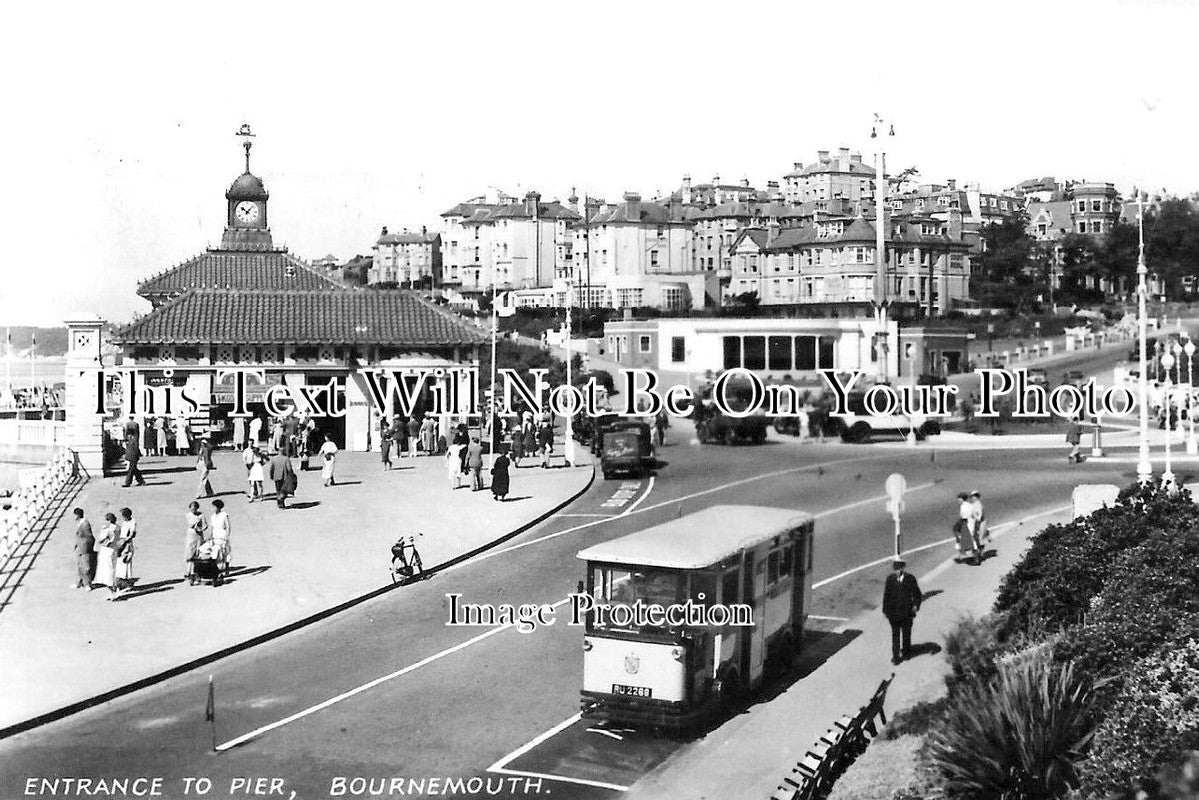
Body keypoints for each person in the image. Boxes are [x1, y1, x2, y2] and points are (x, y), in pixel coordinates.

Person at [882, 559, 923, 665]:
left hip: (907, 612)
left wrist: (915, 606)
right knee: (895, 636)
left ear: (903, 568)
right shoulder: (890, 579)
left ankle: (906, 653)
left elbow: (917, 594)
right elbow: (886, 596)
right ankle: (896, 657)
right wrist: (885, 610)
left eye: (899, 569)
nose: (898, 571)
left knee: (906, 635)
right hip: (894, 613)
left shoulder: (910, 579)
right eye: (896, 569)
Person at [94, 512, 120, 598]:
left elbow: (100, 540)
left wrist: (103, 532)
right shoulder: (118, 527)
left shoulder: (107, 529)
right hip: (114, 550)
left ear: (109, 520)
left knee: (106, 571)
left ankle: (112, 592)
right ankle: (112, 591)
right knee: (111, 570)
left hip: (106, 551)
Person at [113, 507, 137, 597]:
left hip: (126, 545)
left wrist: (123, 542)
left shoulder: (132, 522)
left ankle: (126, 583)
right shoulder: (125, 522)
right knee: (120, 564)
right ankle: (124, 583)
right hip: (121, 542)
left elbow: (132, 534)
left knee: (125, 563)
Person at [184, 501, 207, 584]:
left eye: (195, 508)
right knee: (190, 552)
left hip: (199, 535)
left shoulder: (201, 515)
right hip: (191, 535)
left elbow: (206, 525)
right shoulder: (188, 515)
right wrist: (196, 526)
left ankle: (196, 572)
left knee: (198, 553)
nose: (193, 510)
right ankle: (188, 572)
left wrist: (202, 529)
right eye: (192, 508)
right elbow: (190, 524)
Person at [72, 508, 95, 589]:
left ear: (78, 515)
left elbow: (90, 537)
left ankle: (87, 584)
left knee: (86, 566)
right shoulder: (80, 523)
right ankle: (79, 582)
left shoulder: (85, 524)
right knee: (79, 566)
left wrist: (88, 547)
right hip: (80, 547)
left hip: (85, 548)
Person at [954, 492, 979, 564]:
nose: (958, 500)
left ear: (962, 499)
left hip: (966, 524)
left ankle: (962, 556)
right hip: (972, 523)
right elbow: (974, 515)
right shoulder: (970, 505)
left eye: (959, 499)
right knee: (971, 539)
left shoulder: (963, 506)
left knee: (963, 540)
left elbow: (963, 517)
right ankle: (974, 556)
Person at [210, 499, 231, 563]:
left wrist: (227, 536)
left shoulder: (224, 515)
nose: (213, 508)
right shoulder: (212, 516)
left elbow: (228, 526)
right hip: (215, 536)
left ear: (218, 507)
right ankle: (218, 569)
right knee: (215, 553)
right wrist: (211, 536)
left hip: (223, 536)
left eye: (214, 507)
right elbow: (212, 527)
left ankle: (227, 570)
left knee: (225, 552)